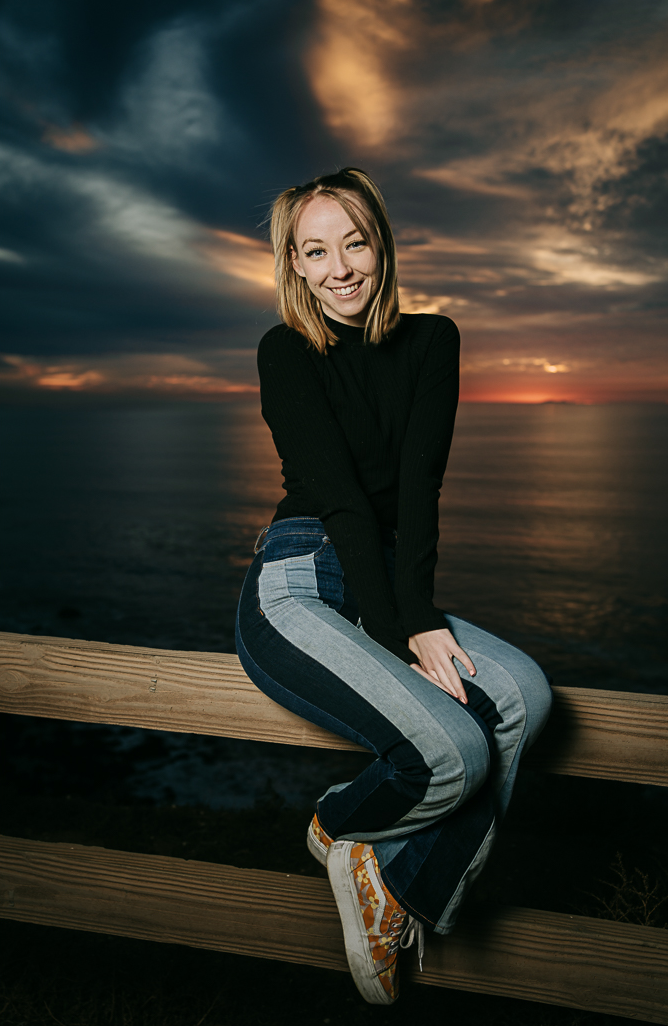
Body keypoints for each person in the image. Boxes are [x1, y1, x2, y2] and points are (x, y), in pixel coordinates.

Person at [235, 166, 552, 1006]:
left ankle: (392, 886)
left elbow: (418, 495)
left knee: (525, 693)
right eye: (315, 251)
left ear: (383, 246)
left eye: (356, 243)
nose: (339, 268)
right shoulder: (285, 352)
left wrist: (416, 614)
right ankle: (338, 826)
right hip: (299, 580)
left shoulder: (433, 340)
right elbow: (338, 500)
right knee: (453, 749)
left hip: (381, 571)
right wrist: (398, 628)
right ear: (294, 264)